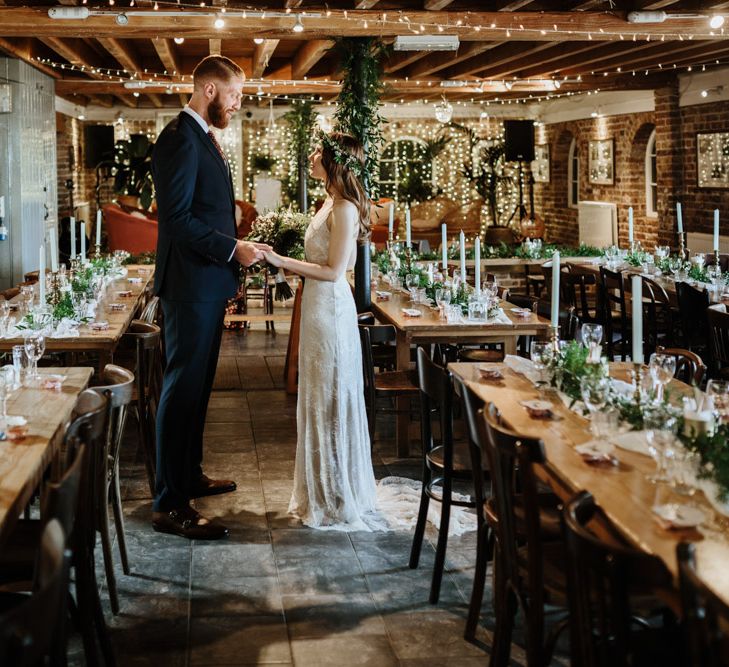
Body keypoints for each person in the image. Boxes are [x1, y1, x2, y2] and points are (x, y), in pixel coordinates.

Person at [265, 133, 477, 535]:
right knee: (317, 396)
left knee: (332, 397)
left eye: (317, 152)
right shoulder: (328, 201)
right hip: (315, 308)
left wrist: (282, 260)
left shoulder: (344, 208)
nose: (311, 156)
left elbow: (332, 271)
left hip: (330, 309)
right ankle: (320, 490)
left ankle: (338, 494)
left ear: (333, 161)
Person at [151, 55, 270, 540]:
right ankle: (168, 503)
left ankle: (189, 474)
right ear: (208, 89)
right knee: (180, 390)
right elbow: (176, 219)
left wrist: (237, 244)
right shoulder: (179, 139)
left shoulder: (204, 138)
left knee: (198, 390)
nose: (239, 104)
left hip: (206, 283)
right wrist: (231, 248)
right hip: (188, 286)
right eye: (235, 94)